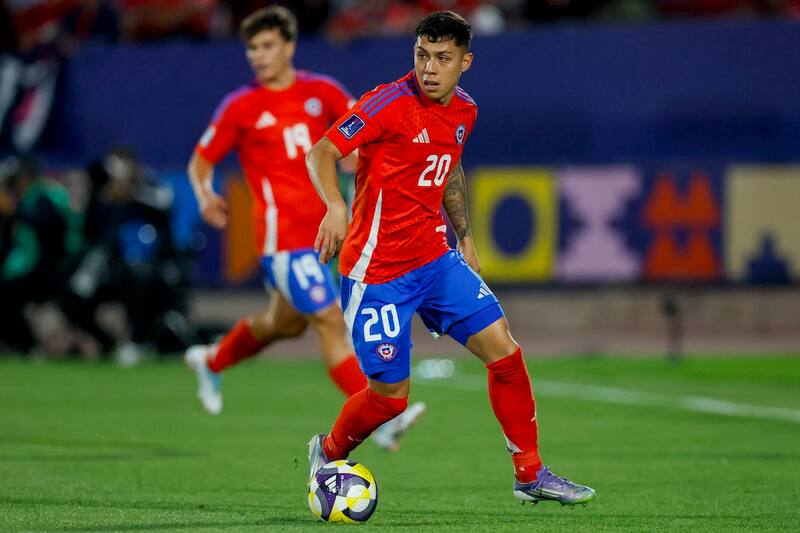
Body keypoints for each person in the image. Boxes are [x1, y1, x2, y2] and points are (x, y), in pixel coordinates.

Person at [305, 11, 596, 506]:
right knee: (389, 399)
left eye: (443, 58)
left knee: (505, 352)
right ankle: (327, 452)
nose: (430, 68)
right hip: (377, 274)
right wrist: (335, 206)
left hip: (436, 260)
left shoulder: (464, 110)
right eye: (422, 55)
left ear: (466, 61)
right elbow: (322, 152)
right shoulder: (386, 103)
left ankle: (530, 473)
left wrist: (464, 235)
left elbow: (451, 166)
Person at [185, 6, 424, 450]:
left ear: (289, 46)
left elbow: (362, 138)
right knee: (330, 319)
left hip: (328, 237)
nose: (258, 55)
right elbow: (201, 160)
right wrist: (203, 193)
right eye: (252, 48)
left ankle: (212, 360)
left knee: (284, 324)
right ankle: (386, 415)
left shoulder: (323, 92)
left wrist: (362, 162)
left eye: (267, 45)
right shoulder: (240, 106)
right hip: (282, 242)